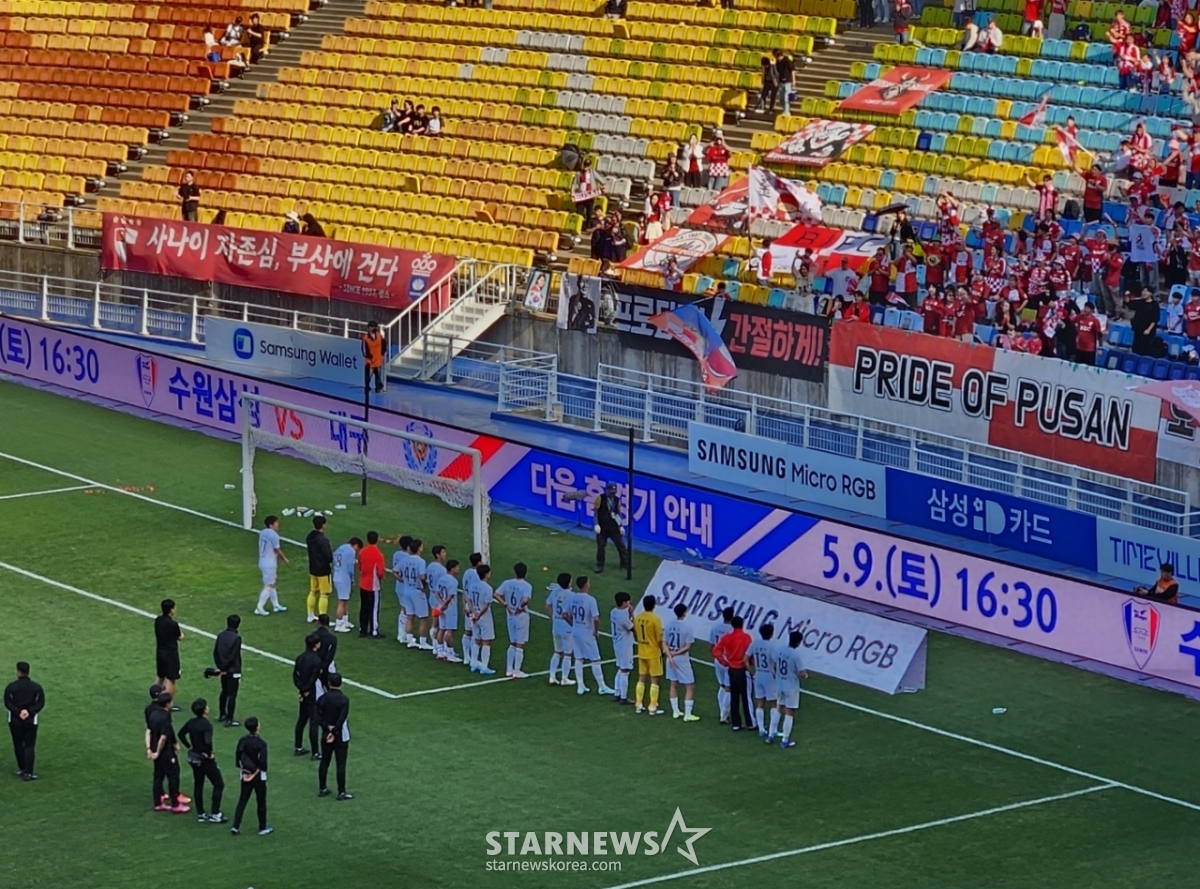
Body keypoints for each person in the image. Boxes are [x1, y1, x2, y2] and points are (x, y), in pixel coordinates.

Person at [179, 698, 225, 823]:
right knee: (218, 784)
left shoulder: (191, 722)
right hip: (204, 759)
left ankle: (201, 813)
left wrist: (189, 746)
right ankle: (215, 813)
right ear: (205, 710)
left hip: (193, 757)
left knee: (198, 783)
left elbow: (181, 734)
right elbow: (208, 741)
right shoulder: (206, 725)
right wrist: (209, 754)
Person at [566, 576, 614, 695]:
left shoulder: (572, 597)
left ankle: (580, 686)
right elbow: (596, 619)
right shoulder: (590, 600)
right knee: (595, 659)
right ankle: (601, 686)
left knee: (579, 658)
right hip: (587, 632)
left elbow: (564, 614)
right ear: (586, 585)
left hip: (576, 631)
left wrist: (573, 624)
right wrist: (595, 631)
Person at [147, 692, 189, 813]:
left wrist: (150, 749)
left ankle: (158, 803)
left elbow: (148, 731)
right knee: (173, 776)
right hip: (166, 753)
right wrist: (159, 752)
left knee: (158, 776)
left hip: (155, 750)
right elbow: (164, 737)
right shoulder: (165, 717)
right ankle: (175, 805)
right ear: (168, 703)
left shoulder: (153, 714)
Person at [314, 673, 353, 800]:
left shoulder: (322, 699)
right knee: (340, 763)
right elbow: (341, 719)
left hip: (326, 734)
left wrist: (328, 729)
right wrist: (335, 730)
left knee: (324, 761)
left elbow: (318, 718)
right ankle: (341, 792)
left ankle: (322, 788)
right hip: (340, 735)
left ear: (329, 683)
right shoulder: (344, 700)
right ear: (340, 683)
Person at [231, 716, 271, 835]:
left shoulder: (242, 740)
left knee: (242, 800)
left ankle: (236, 826)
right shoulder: (261, 743)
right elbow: (263, 762)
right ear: (257, 727)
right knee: (261, 801)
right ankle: (262, 827)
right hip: (258, 776)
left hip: (245, 774)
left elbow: (238, 757)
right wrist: (257, 772)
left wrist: (245, 771)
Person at [711, 614, 753, 731]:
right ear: (742, 625)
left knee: (733, 695)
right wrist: (751, 665)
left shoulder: (727, 637)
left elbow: (716, 650)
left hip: (731, 668)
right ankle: (750, 722)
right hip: (742, 669)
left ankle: (736, 724)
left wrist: (724, 661)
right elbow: (750, 653)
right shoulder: (746, 637)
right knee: (746, 697)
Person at [4, 662, 44, 781]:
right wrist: (29, 712)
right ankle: (28, 772)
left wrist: (17, 712)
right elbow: (40, 703)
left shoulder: (11, 687)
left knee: (18, 744)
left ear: (18, 672)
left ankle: (22, 768)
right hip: (31, 720)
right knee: (29, 745)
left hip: (15, 720)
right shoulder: (36, 687)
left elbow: (7, 702)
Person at [772, 631, 809, 749]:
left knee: (778, 708)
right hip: (791, 687)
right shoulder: (795, 655)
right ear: (798, 642)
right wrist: (805, 676)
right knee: (789, 712)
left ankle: (771, 734)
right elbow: (802, 673)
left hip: (779, 684)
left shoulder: (780, 650)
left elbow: (774, 664)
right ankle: (785, 740)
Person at [496, 563, 532, 679]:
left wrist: (505, 605)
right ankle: (516, 671)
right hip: (521, 616)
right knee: (520, 644)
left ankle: (509, 669)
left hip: (510, 615)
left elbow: (496, 594)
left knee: (512, 642)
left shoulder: (507, 583)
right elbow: (526, 600)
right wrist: (520, 608)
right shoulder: (526, 586)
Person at [663, 604, 699, 722]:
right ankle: (687, 714)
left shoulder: (668, 625)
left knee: (673, 683)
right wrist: (676, 653)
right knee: (690, 685)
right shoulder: (688, 627)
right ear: (685, 612)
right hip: (682, 659)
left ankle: (675, 711)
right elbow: (687, 647)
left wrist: (670, 655)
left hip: (670, 658)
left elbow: (664, 644)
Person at [394, 536, 430, 649]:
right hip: (417, 591)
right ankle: (423, 642)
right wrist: (424, 586)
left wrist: (402, 579)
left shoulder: (405, 559)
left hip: (406, 590)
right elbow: (422, 576)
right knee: (423, 618)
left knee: (409, 616)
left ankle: (410, 640)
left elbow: (395, 571)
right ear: (419, 548)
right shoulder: (421, 561)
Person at [632, 595, 664, 715]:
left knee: (641, 677)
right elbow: (659, 638)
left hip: (641, 651)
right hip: (653, 652)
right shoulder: (656, 619)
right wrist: (662, 650)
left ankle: (639, 704)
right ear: (654, 605)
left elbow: (635, 632)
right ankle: (652, 706)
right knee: (655, 679)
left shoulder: (638, 617)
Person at [746, 624, 778, 741]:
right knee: (774, 703)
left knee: (760, 702)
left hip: (758, 675)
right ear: (771, 633)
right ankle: (772, 730)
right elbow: (775, 662)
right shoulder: (772, 646)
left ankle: (761, 729)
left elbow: (745, 659)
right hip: (769, 676)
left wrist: (752, 672)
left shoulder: (754, 644)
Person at [292, 633, 322, 758]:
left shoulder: (300, 658)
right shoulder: (317, 660)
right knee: (314, 723)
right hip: (312, 694)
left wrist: (301, 690)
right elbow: (313, 678)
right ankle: (315, 752)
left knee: (302, 720)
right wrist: (307, 690)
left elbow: (296, 676)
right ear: (316, 645)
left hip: (303, 693)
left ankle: (298, 746)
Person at [465, 563, 497, 674]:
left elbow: (468, 599)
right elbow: (486, 605)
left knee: (476, 639)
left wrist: (474, 612)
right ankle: (484, 666)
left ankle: (473, 663)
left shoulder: (473, 585)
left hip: (474, 616)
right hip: (484, 617)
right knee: (486, 641)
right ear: (487, 574)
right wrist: (479, 614)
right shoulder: (488, 588)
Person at [255, 515, 289, 616]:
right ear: (271, 524)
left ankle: (276, 605)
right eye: (276, 522)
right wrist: (285, 559)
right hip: (269, 563)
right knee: (269, 586)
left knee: (272, 584)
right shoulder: (273, 535)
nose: (278, 524)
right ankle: (259, 607)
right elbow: (276, 549)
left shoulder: (263, 532)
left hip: (263, 561)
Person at [546, 571, 575, 686]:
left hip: (556, 625)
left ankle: (552, 676)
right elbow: (571, 612)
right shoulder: (571, 595)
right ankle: (564, 678)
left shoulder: (555, 592)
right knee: (567, 654)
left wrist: (552, 617)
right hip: (567, 627)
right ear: (568, 582)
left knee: (557, 651)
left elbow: (547, 605)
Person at [213, 615, 242, 728]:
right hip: (233, 670)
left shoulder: (221, 635)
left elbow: (216, 652)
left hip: (222, 669)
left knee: (224, 691)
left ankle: (222, 714)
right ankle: (230, 719)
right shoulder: (236, 638)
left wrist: (220, 667)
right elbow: (233, 656)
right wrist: (226, 668)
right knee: (232, 694)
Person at [593, 481, 629, 573]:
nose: (613, 493)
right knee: (601, 547)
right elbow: (596, 512)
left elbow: (618, 513)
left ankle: (625, 563)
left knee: (621, 546)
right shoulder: (600, 498)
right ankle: (599, 565)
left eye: (614, 491)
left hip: (614, 527)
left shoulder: (617, 500)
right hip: (602, 527)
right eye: (611, 491)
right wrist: (596, 524)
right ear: (607, 490)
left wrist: (621, 525)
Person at [606, 592, 635, 705]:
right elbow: (633, 627)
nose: (629, 603)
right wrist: (632, 614)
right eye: (628, 602)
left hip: (617, 643)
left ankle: (617, 693)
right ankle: (623, 697)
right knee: (625, 670)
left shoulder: (613, 612)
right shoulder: (623, 617)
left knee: (620, 668)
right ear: (623, 603)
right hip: (625, 645)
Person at [305, 515, 333, 624]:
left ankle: (310, 615)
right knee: (324, 594)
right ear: (323, 525)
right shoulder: (323, 539)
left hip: (313, 568)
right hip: (323, 570)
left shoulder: (309, 537)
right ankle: (323, 618)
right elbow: (329, 556)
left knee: (313, 591)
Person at [155, 599, 184, 701]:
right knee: (171, 679)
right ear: (171, 610)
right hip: (170, 654)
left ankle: (155, 697)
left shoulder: (158, 620)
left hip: (160, 652)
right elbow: (180, 637)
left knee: (160, 676)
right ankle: (167, 702)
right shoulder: (173, 624)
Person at [433, 558, 462, 663]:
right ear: (452, 569)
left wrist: (441, 604)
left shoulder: (441, 578)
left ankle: (440, 651)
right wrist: (445, 605)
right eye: (457, 567)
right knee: (450, 631)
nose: (459, 569)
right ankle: (450, 653)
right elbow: (450, 597)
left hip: (441, 607)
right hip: (450, 608)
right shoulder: (454, 581)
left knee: (442, 629)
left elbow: (436, 593)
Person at [357, 531, 385, 639]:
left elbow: (359, 566)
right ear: (377, 540)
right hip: (373, 585)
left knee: (364, 607)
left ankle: (363, 629)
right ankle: (374, 631)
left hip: (363, 583)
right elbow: (380, 572)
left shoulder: (362, 552)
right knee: (373, 608)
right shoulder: (378, 555)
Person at [708, 607, 733, 723]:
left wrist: (716, 657)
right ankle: (724, 715)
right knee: (729, 688)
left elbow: (711, 647)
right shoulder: (732, 630)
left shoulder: (715, 628)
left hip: (718, 660)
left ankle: (722, 712)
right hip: (729, 661)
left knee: (722, 686)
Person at [331, 537, 361, 633]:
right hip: (344, 578)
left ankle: (344, 620)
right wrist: (352, 579)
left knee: (345, 600)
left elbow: (333, 556)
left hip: (337, 575)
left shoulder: (341, 547)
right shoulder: (351, 551)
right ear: (355, 545)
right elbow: (350, 568)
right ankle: (339, 624)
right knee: (342, 602)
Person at [361, 320, 385, 394]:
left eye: (375, 327)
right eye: (372, 327)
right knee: (368, 376)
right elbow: (363, 350)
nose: (374, 328)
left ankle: (378, 388)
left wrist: (382, 355)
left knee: (378, 375)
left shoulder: (379, 336)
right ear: (369, 328)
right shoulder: (365, 338)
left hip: (378, 359)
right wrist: (369, 356)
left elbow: (384, 346)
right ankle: (367, 388)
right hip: (370, 361)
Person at [772, 49, 794, 117]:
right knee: (781, 98)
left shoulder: (787, 60)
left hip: (788, 81)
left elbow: (792, 70)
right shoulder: (777, 62)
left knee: (786, 97)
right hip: (781, 81)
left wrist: (794, 80)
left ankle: (787, 112)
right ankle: (785, 109)